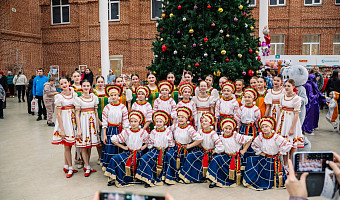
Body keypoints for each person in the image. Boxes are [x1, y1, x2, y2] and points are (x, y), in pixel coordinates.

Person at [243, 116, 292, 190]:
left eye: (266, 126)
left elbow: (288, 145)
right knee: (250, 160)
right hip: (264, 158)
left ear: (271, 127)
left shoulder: (276, 137)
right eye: (262, 127)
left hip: (274, 160)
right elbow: (254, 145)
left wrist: (281, 152)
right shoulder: (260, 137)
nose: (264, 128)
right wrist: (260, 152)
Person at [105, 110, 149, 187]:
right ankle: (113, 178)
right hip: (128, 153)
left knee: (144, 160)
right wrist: (123, 147)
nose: (133, 123)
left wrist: (144, 146)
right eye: (131, 121)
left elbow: (149, 141)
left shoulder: (143, 132)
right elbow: (113, 140)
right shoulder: (126, 131)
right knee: (115, 158)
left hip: (138, 154)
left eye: (135, 121)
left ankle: (144, 178)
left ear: (139, 122)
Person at [207, 117, 252, 188]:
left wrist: (244, 150)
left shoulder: (235, 136)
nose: (227, 130)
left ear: (232, 129)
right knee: (216, 159)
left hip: (235, 158)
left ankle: (229, 180)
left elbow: (249, 139)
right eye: (226, 128)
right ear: (222, 129)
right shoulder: (220, 137)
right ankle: (214, 180)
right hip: (226, 156)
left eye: (230, 129)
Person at [179, 112, 224, 183]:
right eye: (202, 121)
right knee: (190, 155)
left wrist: (213, 151)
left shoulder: (213, 134)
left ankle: (204, 177)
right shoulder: (200, 131)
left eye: (206, 121)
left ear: (210, 123)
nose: (204, 123)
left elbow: (221, 147)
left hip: (210, 153)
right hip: (202, 151)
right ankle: (187, 176)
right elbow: (196, 139)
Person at [164, 107, 203, 184]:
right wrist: (171, 141)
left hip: (186, 148)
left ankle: (183, 176)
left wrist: (189, 146)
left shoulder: (190, 128)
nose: (180, 119)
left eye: (183, 117)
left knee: (188, 157)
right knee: (169, 155)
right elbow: (167, 131)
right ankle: (171, 177)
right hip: (176, 147)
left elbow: (199, 139)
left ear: (186, 119)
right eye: (179, 117)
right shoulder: (174, 126)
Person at [135, 110, 174, 187]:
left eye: (160, 121)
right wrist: (150, 148)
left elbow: (170, 144)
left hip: (164, 150)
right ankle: (148, 178)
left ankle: (162, 178)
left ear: (164, 122)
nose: (158, 123)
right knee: (144, 158)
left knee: (164, 159)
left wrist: (167, 150)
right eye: (157, 122)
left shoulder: (168, 131)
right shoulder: (153, 132)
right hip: (155, 149)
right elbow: (150, 144)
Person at [51, 77, 78, 178]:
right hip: (65, 122)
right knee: (67, 146)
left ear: (69, 83)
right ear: (60, 86)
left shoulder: (73, 93)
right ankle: (70, 168)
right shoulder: (59, 97)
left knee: (70, 145)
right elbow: (58, 114)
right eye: (61, 84)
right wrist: (62, 129)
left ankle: (66, 165)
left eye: (65, 83)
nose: (64, 85)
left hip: (72, 121)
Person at [74, 80, 100, 177]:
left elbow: (96, 113)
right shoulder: (78, 99)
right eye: (84, 86)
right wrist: (79, 129)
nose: (86, 87)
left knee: (89, 145)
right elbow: (77, 115)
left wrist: (97, 126)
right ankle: (87, 166)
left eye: (87, 85)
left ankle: (86, 164)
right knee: (84, 146)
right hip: (83, 122)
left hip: (92, 123)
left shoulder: (94, 97)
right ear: (81, 87)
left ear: (90, 86)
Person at [101, 84, 129, 171]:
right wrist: (104, 135)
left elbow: (125, 121)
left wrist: (124, 133)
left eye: (115, 95)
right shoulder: (107, 107)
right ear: (109, 96)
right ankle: (109, 168)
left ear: (118, 96)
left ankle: (118, 167)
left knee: (119, 147)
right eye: (111, 95)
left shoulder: (123, 107)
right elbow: (104, 121)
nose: (113, 97)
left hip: (119, 130)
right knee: (110, 148)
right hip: (110, 129)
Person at [276, 79, 304, 167]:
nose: (287, 88)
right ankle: (285, 165)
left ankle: (291, 165)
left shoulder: (296, 98)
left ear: (293, 87)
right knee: (284, 145)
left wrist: (292, 128)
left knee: (292, 144)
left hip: (291, 121)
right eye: (285, 86)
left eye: (289, 86)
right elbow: (280, 110)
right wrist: (278, 124)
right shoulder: (282, 96)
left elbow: (296, 114)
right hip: (283, 121)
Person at [239, 87, 261, 159]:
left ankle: (250, 159)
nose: (247, 99)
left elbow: (258, 120)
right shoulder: (241, 108)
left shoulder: (256, 109)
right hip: (243, 127)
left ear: (253, 98)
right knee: (243, 143)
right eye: (245, 97)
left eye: (249, 97)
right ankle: (242, 160)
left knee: (251, 143)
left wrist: (258, 130)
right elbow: (238, 119)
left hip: (252, 128)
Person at [93, 76, 109, 164]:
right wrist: (98, 120)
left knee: (106, 137)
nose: (100, 84)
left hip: (107, 116)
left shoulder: (107, 92)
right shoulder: (94, 93)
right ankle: (100, 157)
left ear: (104, 82)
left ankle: (106, 156)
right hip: (97, 116)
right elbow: (93, 108)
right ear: (96, 83)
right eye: (98, 82)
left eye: (101, 82)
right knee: (99, 138)